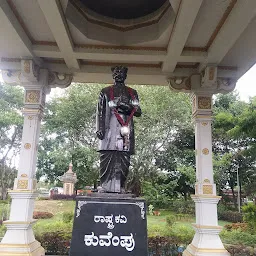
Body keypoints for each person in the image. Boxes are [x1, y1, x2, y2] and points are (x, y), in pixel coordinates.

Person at [96, 66, 141, 193]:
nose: (119, 75)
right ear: (113, 75)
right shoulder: (105, 91)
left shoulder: (132, 92)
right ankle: (105, 186)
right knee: (106, 156)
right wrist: (99, 128)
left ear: (125, 75)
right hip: (109, 128)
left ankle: (121, 186)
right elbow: (100, 111)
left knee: (124, 158)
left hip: (125, 129)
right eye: (116, 73)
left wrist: (126, 106)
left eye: (121, 73)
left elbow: (138, 111)